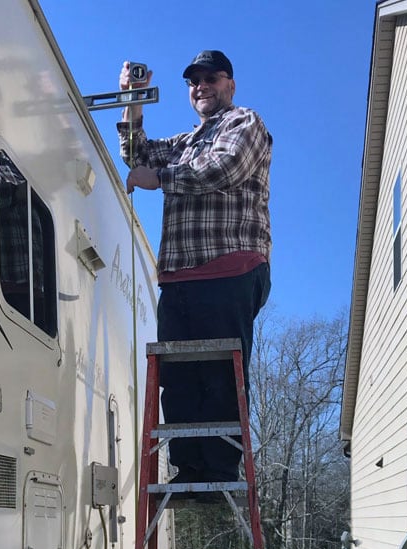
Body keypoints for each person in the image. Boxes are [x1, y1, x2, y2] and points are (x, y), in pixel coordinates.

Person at [118, 50, 272, 484]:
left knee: (220, 375)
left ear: (230, 85)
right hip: (180, 277)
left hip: (230, 269)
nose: (201, 86)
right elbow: (139, 156)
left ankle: (221, 470)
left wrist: (162, 180)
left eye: (211, 78)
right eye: (194, 81)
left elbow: (222, 169)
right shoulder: (185, 143)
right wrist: (134, 103)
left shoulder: (245, 123)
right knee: (180, 378)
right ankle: (189, 470)